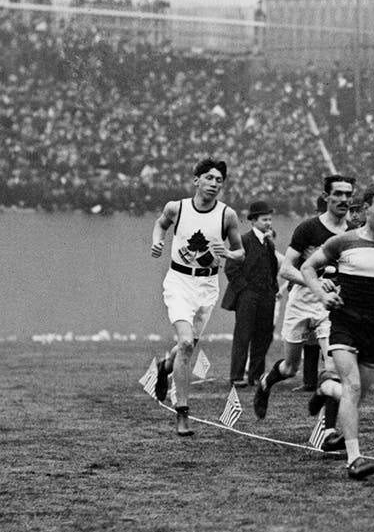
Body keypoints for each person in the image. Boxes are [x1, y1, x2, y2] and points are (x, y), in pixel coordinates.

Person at [304, 185, 374, 481]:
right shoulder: (344, 241)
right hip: (344, 322)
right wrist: (321, 294)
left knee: (357, 394)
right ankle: (354, 459)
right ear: (365, 208)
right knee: (352, 388)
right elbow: (307, 268)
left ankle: (324, 389)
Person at [147, 158, 244, 435]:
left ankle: (165, 366)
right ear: (196, 180)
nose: (214, 184)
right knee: (187, 343)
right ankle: (182, 413)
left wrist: (227, 253)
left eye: (219, 181)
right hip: (179, 281)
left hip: (207, 286)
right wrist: (157, 241)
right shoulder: (176, 208)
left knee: (186, 348)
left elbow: (240, 252)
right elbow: (160, 224)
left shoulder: (227, 215)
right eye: (210, 178)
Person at [262, 174, 356, 421]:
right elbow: (286, 269)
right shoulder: (308, 228)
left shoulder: (355, 234)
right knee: (290, 368)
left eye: (348, 194)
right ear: (326, 197)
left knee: (334, 368)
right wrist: (314, 281)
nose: (344, 199)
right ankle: (266, 381)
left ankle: (328, 431)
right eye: (338, 194)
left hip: (332, 305)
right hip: (302, 300)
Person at [223, 200, 280, 394]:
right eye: (264, 219)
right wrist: (245, 291)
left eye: (270, 219)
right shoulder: (243, 241)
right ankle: (237, 377)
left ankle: (255, 376)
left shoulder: (268, 243)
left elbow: (272, 269)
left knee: (264, 336)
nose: (268, 223)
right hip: (248, 295)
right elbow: (230, 268)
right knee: (243, 335)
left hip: (267, 295)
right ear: (253, 221)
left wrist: (273, 289)